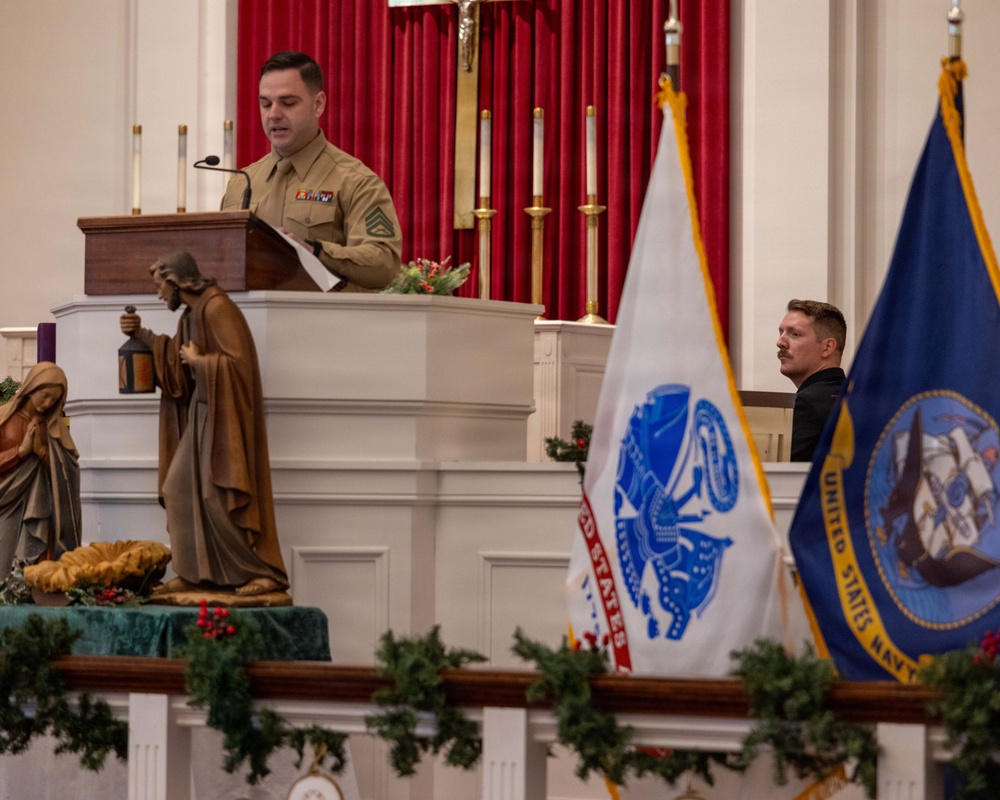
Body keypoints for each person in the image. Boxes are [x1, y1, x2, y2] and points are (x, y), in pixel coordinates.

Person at [119, 251, 288, 597]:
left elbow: (238, 367)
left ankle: (262, 571)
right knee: (178, 489)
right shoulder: (191, 316)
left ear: (176, 281)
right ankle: (196, 573)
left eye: (159, 287)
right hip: (202, 412)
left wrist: (202, 362)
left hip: (225, 418)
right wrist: (145, 337)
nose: (159, 295)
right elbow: (178, 371)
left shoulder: (218, 308)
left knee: (219, 495)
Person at [221, 50, 402, 293]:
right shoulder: (241, 182)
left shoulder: (356, 181)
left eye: (288, 103)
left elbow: (384, 264)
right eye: (265, 104)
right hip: (251, 325)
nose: (273, 114)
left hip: (325, 325)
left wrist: (315, 251)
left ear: (318, 104)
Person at [0, 362, 81, 578]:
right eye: (44, 395)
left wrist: (42, 453)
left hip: (40, 508)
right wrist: (20, 452)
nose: (47, 404)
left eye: (53, 400)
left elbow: (67, 473)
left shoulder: (53, 429)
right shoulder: (3, 418)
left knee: (34, 571)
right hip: (6, 503)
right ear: (31, 388)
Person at [776, 299, 847, 462]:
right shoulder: (857, 396)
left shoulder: (808, 402)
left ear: (827, 347)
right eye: (781, 332)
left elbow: (787, 477)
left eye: (794, 334)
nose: (780, 342)